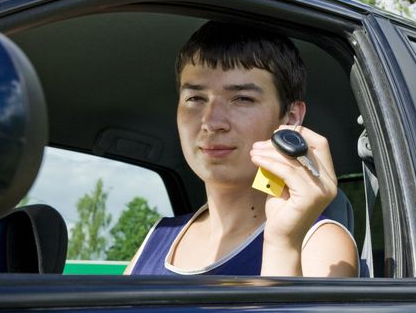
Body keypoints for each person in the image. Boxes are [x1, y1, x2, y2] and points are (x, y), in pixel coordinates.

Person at [124, 21, 359, 276]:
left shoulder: (318, 244)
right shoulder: (158, 237)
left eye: (242, 99)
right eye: (195, 98)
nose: (211, 123)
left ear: (290, 118)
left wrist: (282, 244)